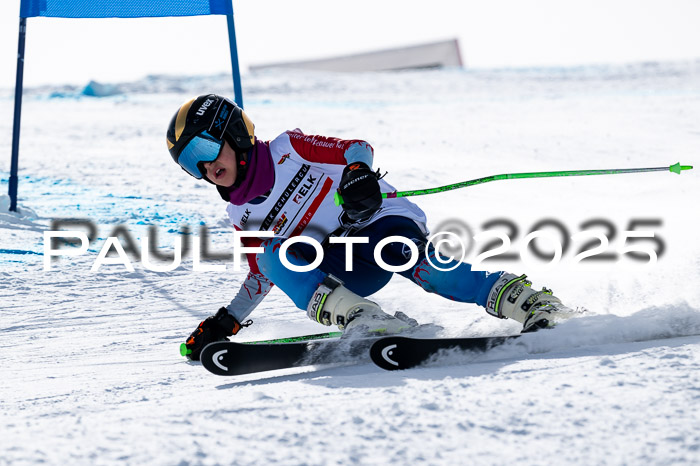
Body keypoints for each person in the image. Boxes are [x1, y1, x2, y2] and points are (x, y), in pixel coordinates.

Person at [167, 94, 566, 360]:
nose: (205, 166)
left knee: (401, 254)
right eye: (190, 163)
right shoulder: (240, 215)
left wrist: (357, 172)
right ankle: (363, 317)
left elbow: (355, 148)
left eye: (204, 148)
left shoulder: (288, 149)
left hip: (379, 222)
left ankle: (528, 302)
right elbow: (262, 275)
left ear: (234, 133)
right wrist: (227, 321)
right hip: (346, 266)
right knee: (271, 258)